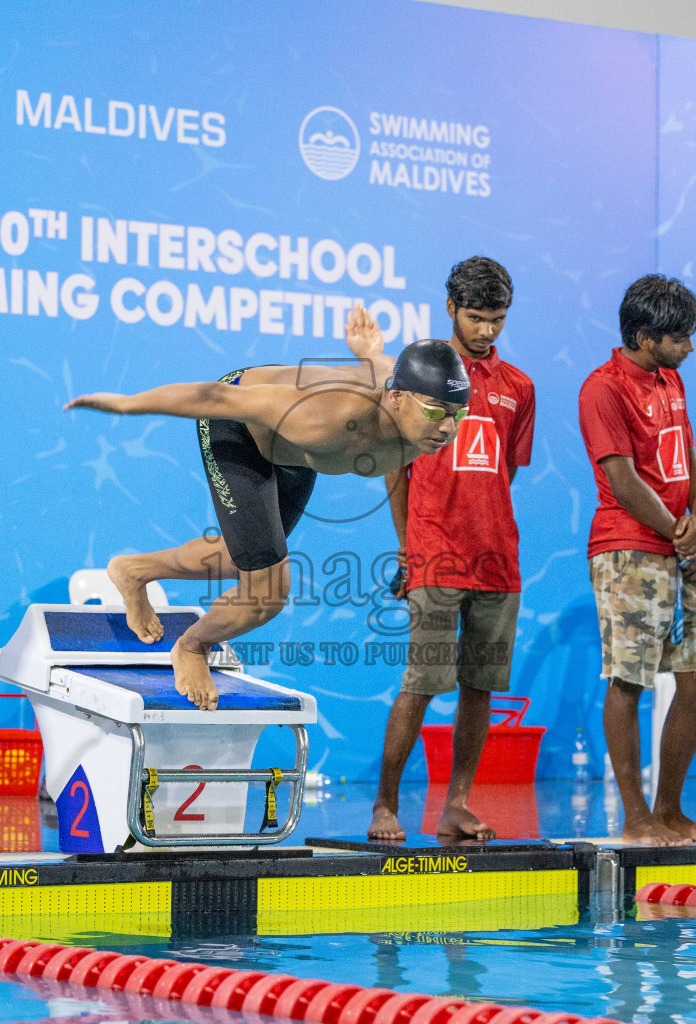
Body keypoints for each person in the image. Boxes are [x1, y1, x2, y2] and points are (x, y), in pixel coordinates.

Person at [66, 307, 469, 711]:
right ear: (396, 398)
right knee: (268, 592)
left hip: (293, 456)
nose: (448, 427)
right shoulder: (324, 415)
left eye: (458, 414)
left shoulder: (424, 421)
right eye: (437, 413)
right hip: (237, 423)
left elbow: (384, 366)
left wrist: (369, 350)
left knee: (241, 557)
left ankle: (134, 571)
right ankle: (191, 647)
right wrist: (127, 404)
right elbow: (216, 397)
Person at [367, 257, 535, 843]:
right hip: (435, 553)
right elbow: (395, 468)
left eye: (497, 319)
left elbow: (504, 474)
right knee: (421, 681)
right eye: (475, 317)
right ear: (450, 310)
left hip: (498, 559)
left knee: (480, 687)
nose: (487, 330)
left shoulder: (520, 388)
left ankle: (456, 805)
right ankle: (385, 805)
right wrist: (408, 547)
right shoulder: (418, 374)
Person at [578, 274, 696, 848]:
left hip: (682, 548)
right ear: (644, 336)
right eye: (679, 338)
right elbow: (621, 477)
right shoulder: (603, 388)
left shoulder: (671, 382)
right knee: (629, 678)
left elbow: (688, 455)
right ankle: (636, 817)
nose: (689, 347)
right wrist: (677, 534)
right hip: (628, 549)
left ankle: (669, 811)